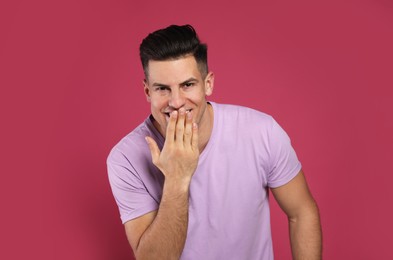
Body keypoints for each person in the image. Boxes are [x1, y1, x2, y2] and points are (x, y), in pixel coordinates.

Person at [107, 24, 322, 259]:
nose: (176, 101)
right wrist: (177, 179)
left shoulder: (261, 132)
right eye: (162, 89)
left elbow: (302, 212)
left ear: (208, 84)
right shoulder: (125, 159)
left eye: (187, 85)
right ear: (148, 91)